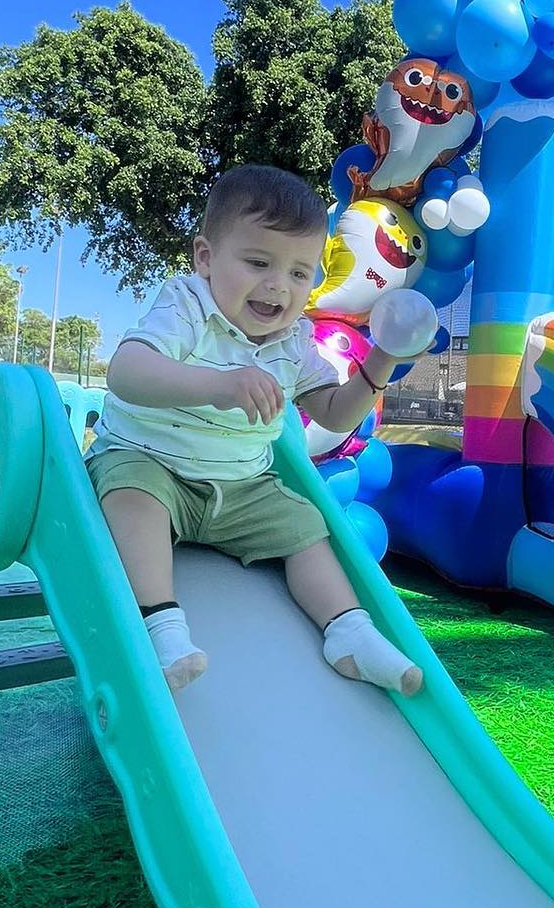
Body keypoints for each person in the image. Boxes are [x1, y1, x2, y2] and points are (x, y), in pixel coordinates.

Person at [89, 164, 425, 698]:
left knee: (306, 526)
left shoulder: (295, 338)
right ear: (206, 258)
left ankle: (348, 631)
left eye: (299, 272)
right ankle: (160, 626)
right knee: (133, 496)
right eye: (258, 262)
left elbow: (336, 413)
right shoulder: (187, 302)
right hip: (150, 459)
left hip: (241, 487)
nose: (278, 285)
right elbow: (127, 372)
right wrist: (217, 385)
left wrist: (381, 362)